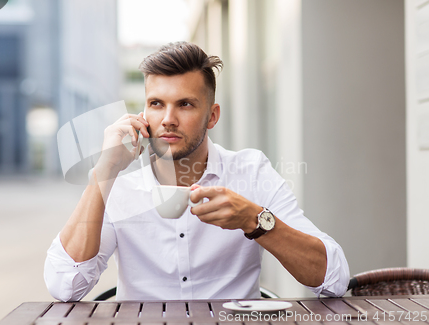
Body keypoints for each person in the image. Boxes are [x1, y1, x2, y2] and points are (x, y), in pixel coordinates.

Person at [44, 42, 350, 302]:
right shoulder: (118, 187)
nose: (168, 119)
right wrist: (104, 171)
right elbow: (64, 286)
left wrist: (254, 220)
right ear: (143, 114)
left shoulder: (251, 172)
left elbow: (334, 279)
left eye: (185, 104)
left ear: (212, 116)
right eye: (156, 104)